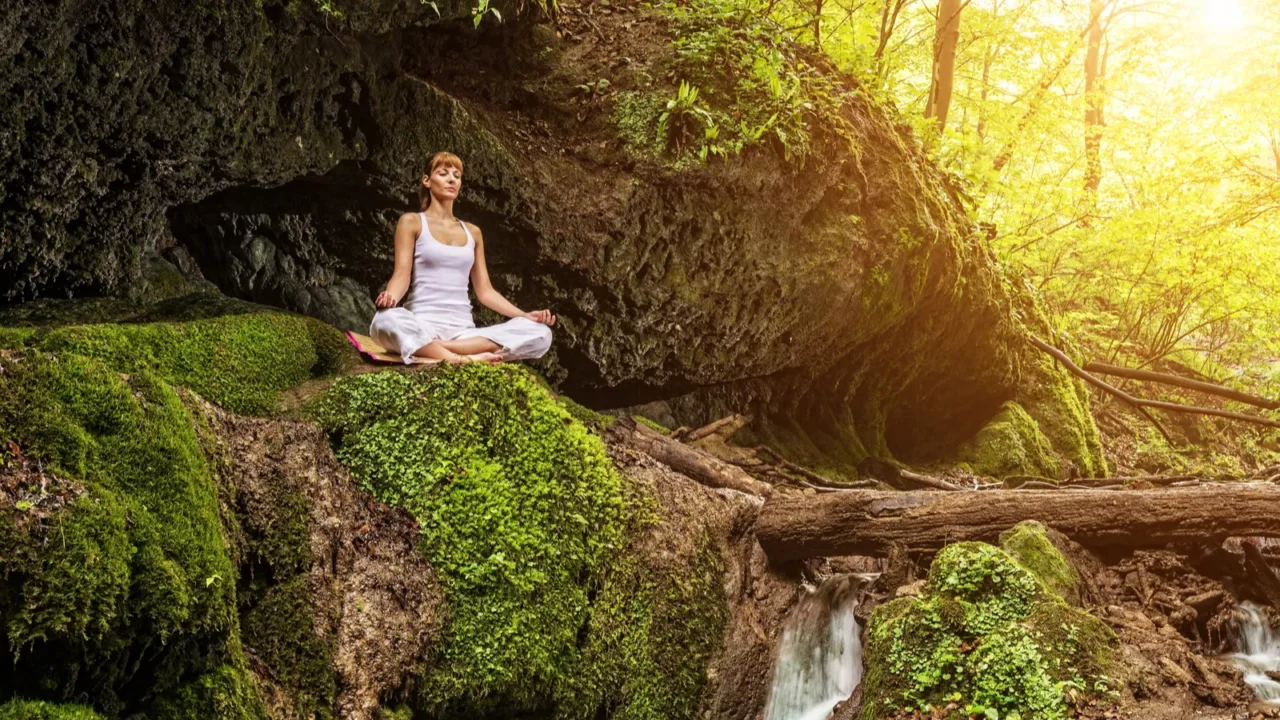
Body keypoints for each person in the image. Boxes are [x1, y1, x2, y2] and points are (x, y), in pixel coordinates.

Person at [368, 152, 555, 364]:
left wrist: (523, 315)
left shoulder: (473, 232)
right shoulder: (411, 222)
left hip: (463, 332)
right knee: (384, 320)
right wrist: (390, 297)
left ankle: (436, 348)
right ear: (427, 180)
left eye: (457, 175)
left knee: (541, 334)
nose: (451, 179)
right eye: (443, 173)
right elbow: (401, 275)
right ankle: (461, 359)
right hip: (422, 323)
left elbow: (485, 291)